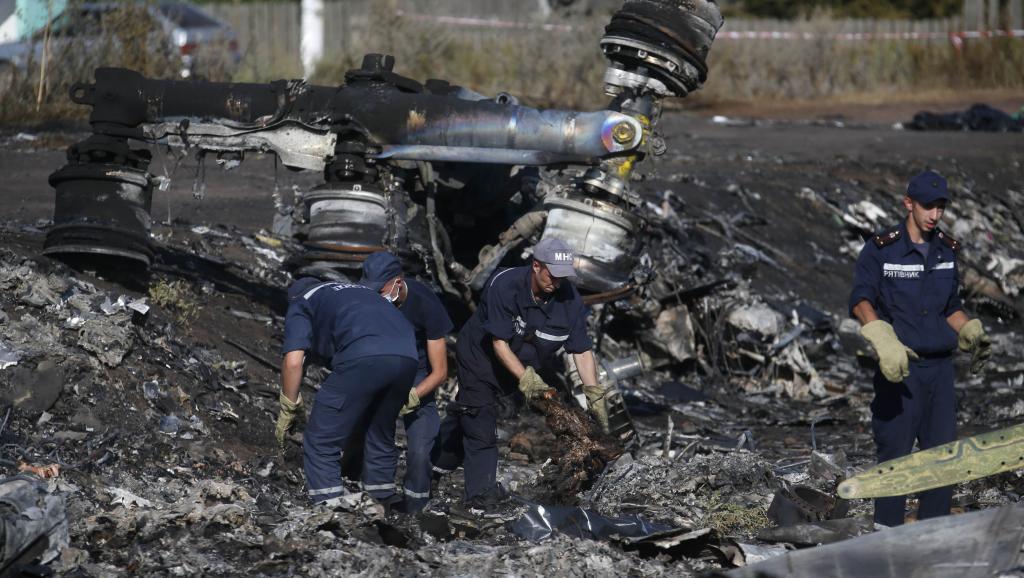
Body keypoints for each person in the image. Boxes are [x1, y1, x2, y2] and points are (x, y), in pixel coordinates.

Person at [849, 170, 991, 527]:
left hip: (940, 373)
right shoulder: (882, 249)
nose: (935, 215)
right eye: (928, 206)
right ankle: (886, 542)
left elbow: (950, 307)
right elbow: (860, 299)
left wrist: (969, 329)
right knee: (895, 462)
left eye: (941, 207)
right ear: (909, 204)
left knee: (941, 463)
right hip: (900, 370)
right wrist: (881, 336)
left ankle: (932, 542)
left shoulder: (947, 250)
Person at [432, 237, 610, 512]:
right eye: (553, 275)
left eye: (564, 277)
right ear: (536, 266)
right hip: (482, 360)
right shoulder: (505, 286)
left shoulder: (569, 299)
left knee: (469, 414)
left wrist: (594, 395)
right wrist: (528, 381)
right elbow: (499, 344)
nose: (558, 282)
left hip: (521, 367)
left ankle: (435, 460)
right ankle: (480, 499)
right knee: (481, 423)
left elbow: (582, 351)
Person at [275, 277, 418, 507]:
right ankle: (384, 500)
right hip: (408, 358)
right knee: (377, 430)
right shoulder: (361, 292)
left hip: (365, 355)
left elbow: (293, 362)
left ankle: (330, 508)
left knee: (321, 440)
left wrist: (288, 405)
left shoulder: (302, 300)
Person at [359, 251, 454, 512]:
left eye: (381, 289)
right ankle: (378, 501)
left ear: (398, 282)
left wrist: (413, 395)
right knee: (374, 437)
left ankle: (416, 504)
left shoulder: (425, 302)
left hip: (418, 375)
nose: (377, 296)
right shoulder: (367, 301)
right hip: (382, 369)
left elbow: (440, 371)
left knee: (420, 449)